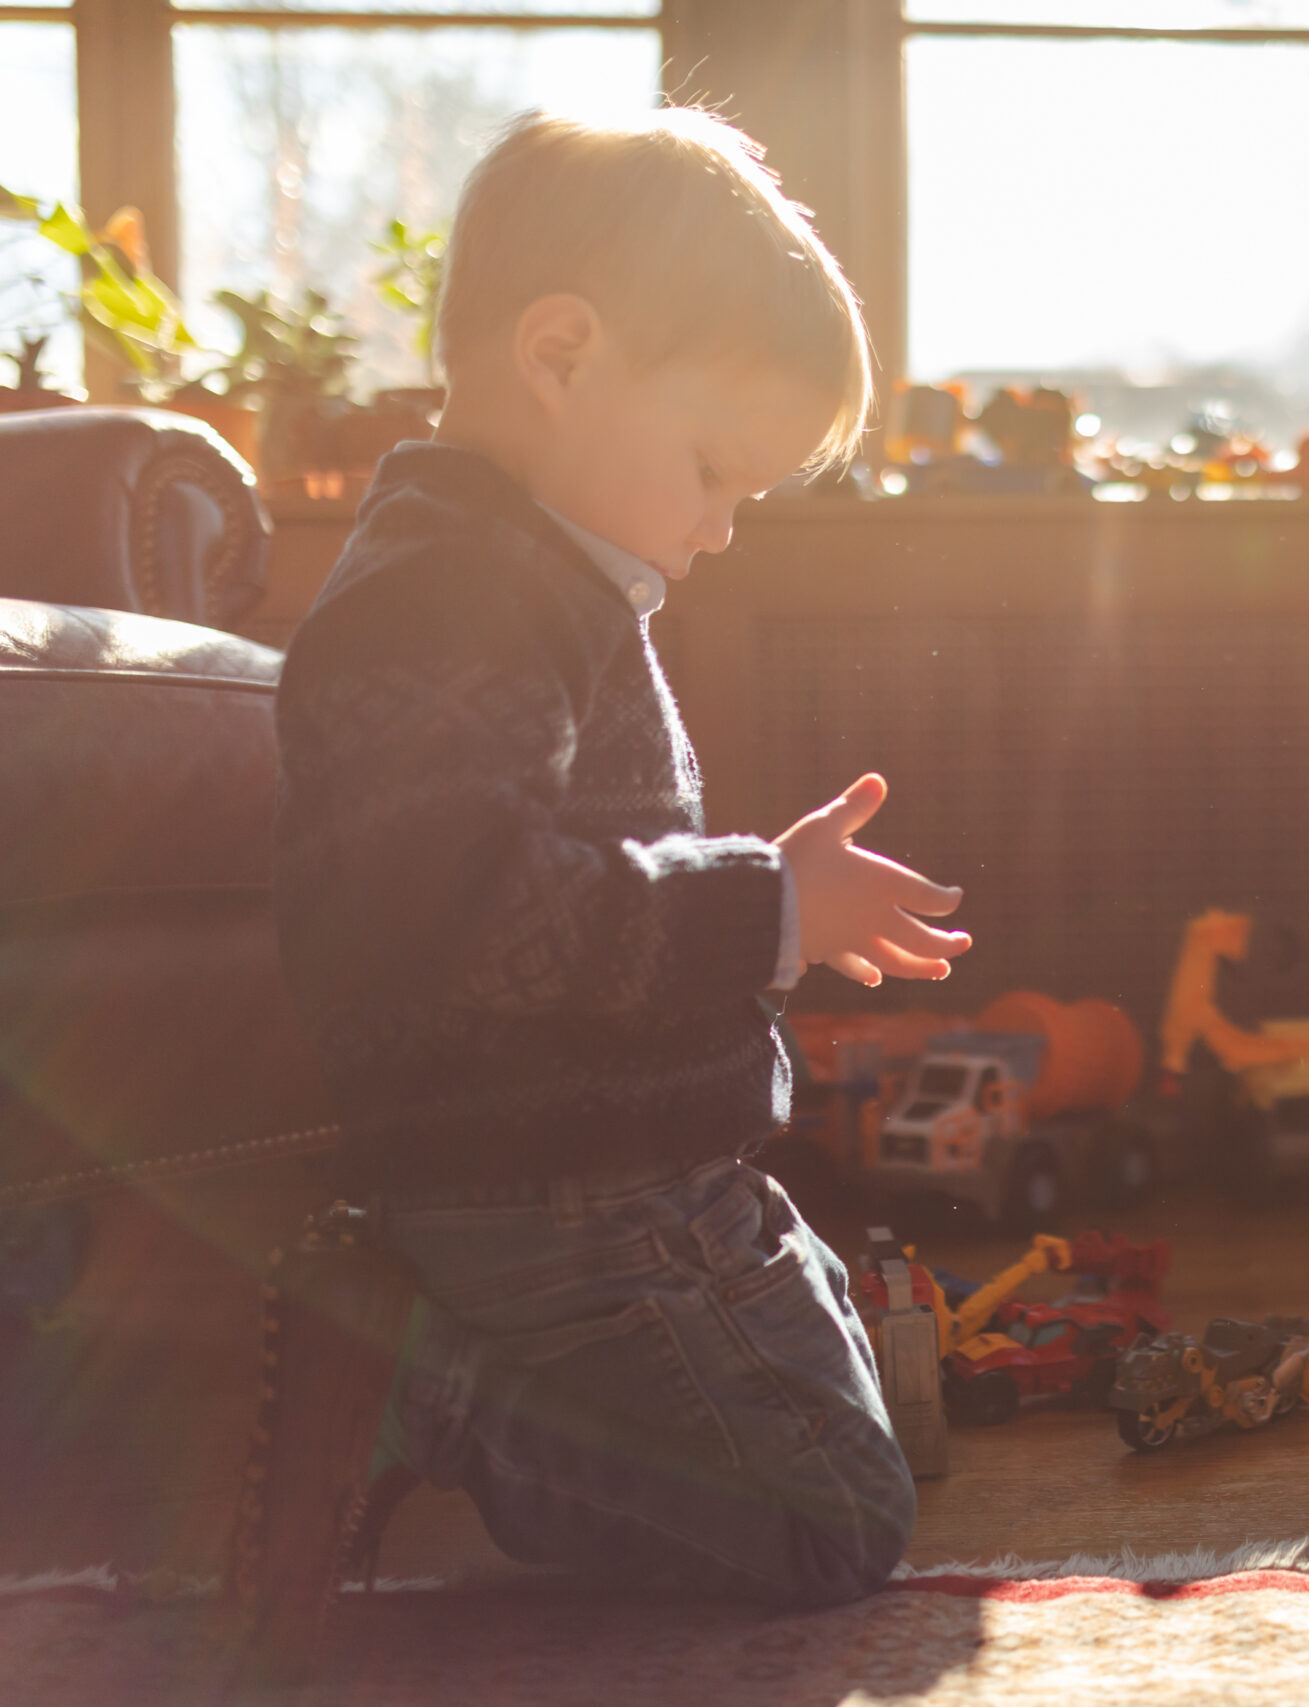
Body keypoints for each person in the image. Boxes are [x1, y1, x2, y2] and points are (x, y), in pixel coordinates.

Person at [268, 109, 968, 1608]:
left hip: (619, 1171)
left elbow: (569, 873)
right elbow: (464, 913)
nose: (720, 530)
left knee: (873, 1404)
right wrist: (765, 907)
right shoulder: (449, 593)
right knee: (829, 1516)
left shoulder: (535, 576)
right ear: (563, 353)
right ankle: (419, 1384)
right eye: (715, 470)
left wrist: (758, 888)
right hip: (550, 1186)